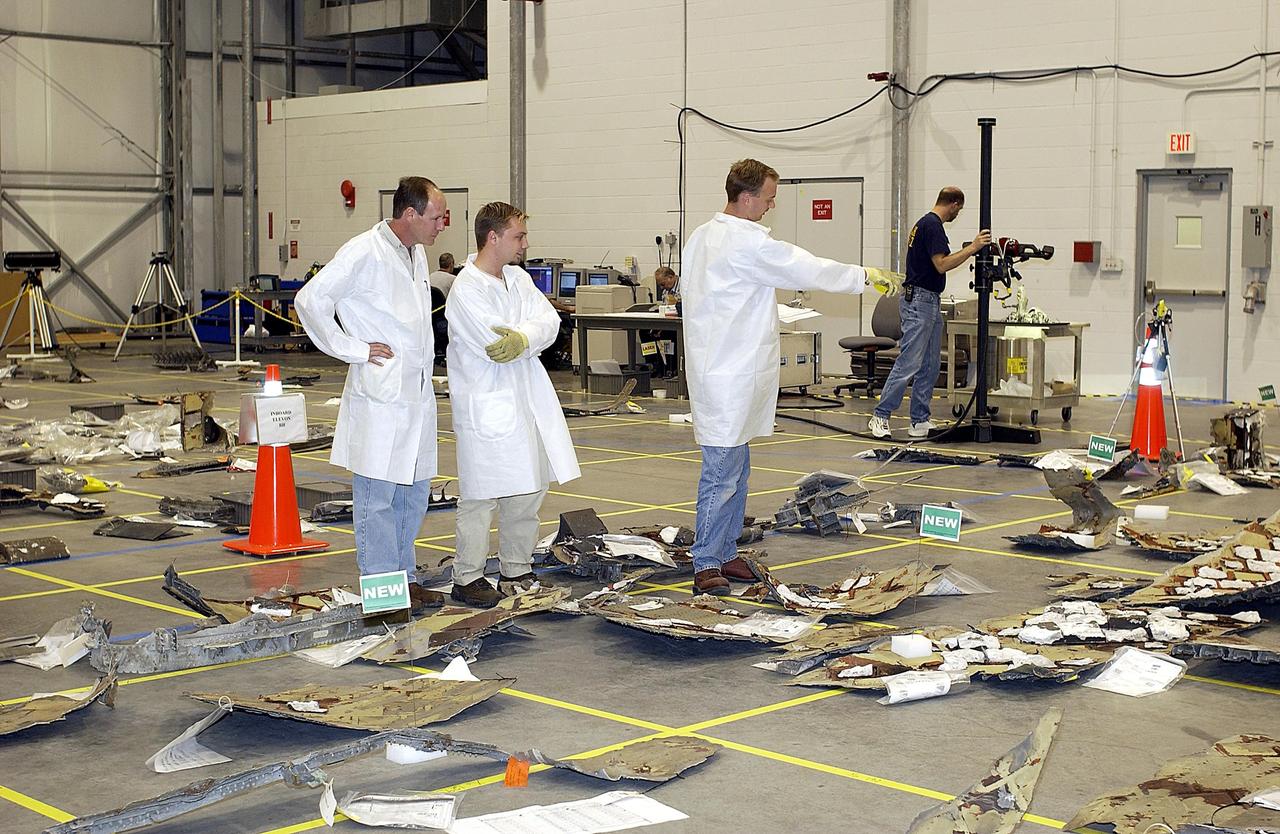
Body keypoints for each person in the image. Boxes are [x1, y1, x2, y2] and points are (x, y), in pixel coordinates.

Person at [681, 159, 901, 595]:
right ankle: (707, 561)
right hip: (726, 371)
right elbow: (806, 267)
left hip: (726, 367)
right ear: (746, 197)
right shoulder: (743, 243)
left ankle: (725, 552)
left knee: (736, 470)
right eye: (768, 197)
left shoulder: (705, 236)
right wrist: (864, 277)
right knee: (722, 473)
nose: (771, 204)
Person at [294, 176, 446, 610]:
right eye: (436, 217)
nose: (442, 226)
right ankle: (383, 593)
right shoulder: (364, 250)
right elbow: (311, 301)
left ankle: (405, 579)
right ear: (411, 215)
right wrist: (352, 349)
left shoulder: (415, 254)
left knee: (412, 494)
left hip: (414, 397)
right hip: (380, 396)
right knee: (377, 498)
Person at [445, 202, 581, 607]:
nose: (525, 244)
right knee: (481, 495)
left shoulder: (519, 279)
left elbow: (550, 322)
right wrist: (527, 336)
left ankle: (515, 569)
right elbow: (493, 343)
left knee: (529, 486)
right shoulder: (466, 289)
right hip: (487, 400)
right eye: (519, 236)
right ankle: (467, 576)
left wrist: (524, 337)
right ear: (493, 237)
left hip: (527, 397)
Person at [869, 187, 992, 439]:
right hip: (920, 302)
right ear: (955, 204)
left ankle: (919, 420)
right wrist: (973, 248)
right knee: (910, 362)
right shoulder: (932, 225)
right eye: (959, 209)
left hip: (930, 301)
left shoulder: (923, 225)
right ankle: (880, 415)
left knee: (930, 365)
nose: (958, 213)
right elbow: (941, 264)